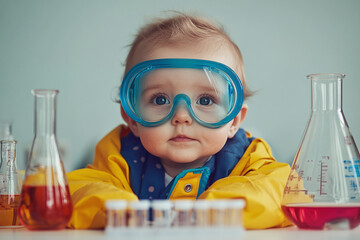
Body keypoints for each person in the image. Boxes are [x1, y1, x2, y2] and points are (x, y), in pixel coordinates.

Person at [66, 12, 292, 229]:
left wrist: (219, 208)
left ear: (234, 121)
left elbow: (283, 188)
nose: (181, 116)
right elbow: (73, 189)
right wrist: (116, 209)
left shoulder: (246, 158)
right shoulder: (120, 155)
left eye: (205, 100)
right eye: (160, 98)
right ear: (132, 119)